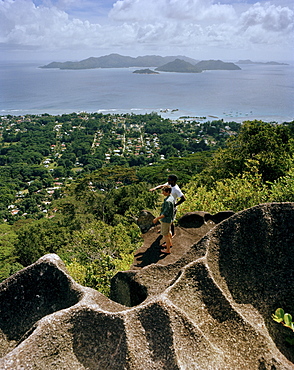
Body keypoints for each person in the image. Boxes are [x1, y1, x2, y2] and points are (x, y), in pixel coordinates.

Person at [152, 185, 174, 254]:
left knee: (166, 235)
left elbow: (165, 214)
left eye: (163, 191)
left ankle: (167, 250)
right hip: (170, 219)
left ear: (167, 192)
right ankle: (169, 244)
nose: (162, 193)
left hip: (166, 220)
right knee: (169, 231)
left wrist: (156, 218)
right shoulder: (171, 197)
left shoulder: (168, 201)